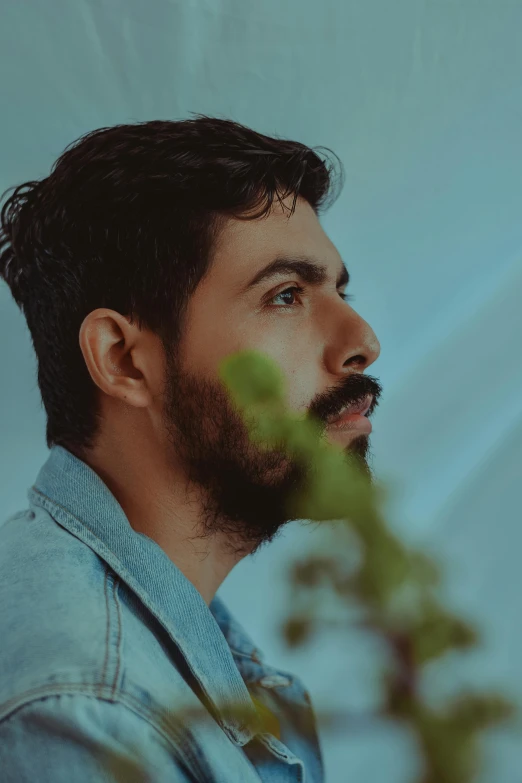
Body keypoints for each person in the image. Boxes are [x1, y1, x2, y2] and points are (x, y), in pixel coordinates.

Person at [0, 116, 381, 782]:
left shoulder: (153, 647)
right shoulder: (90, 711)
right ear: (123, 359)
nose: (362, 340)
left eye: (338, 289)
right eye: (286, 295)